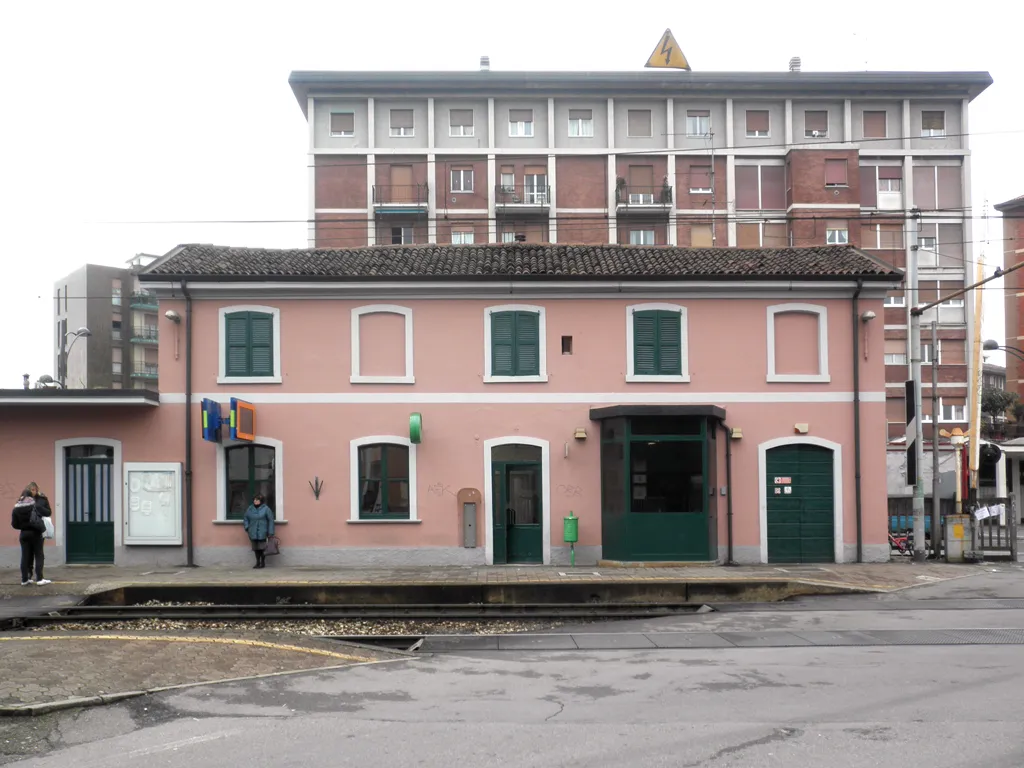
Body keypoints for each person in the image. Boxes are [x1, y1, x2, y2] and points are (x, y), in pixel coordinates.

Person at [10, 482, 52, 586]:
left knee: (25, 557)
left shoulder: (16, 508)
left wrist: (23, 527)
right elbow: (42, 516)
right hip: (36, 533)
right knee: (39, 555)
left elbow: (14, 524)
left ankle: (24, 580)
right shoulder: (34, 505)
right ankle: (40, 579)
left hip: (24, 534)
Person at [242, 494, 275, 569]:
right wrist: (247, 527)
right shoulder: (250, 509)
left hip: (263, 531)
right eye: (254, 500)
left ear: (261, 501)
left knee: (262, 548)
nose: (255, 501)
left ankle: (262, 562)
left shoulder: (266, 509)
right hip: (252, 531)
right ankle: (257, 562)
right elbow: (245, 518)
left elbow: (270, 520)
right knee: (256, 548)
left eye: (257, 500)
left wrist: (270, 532)